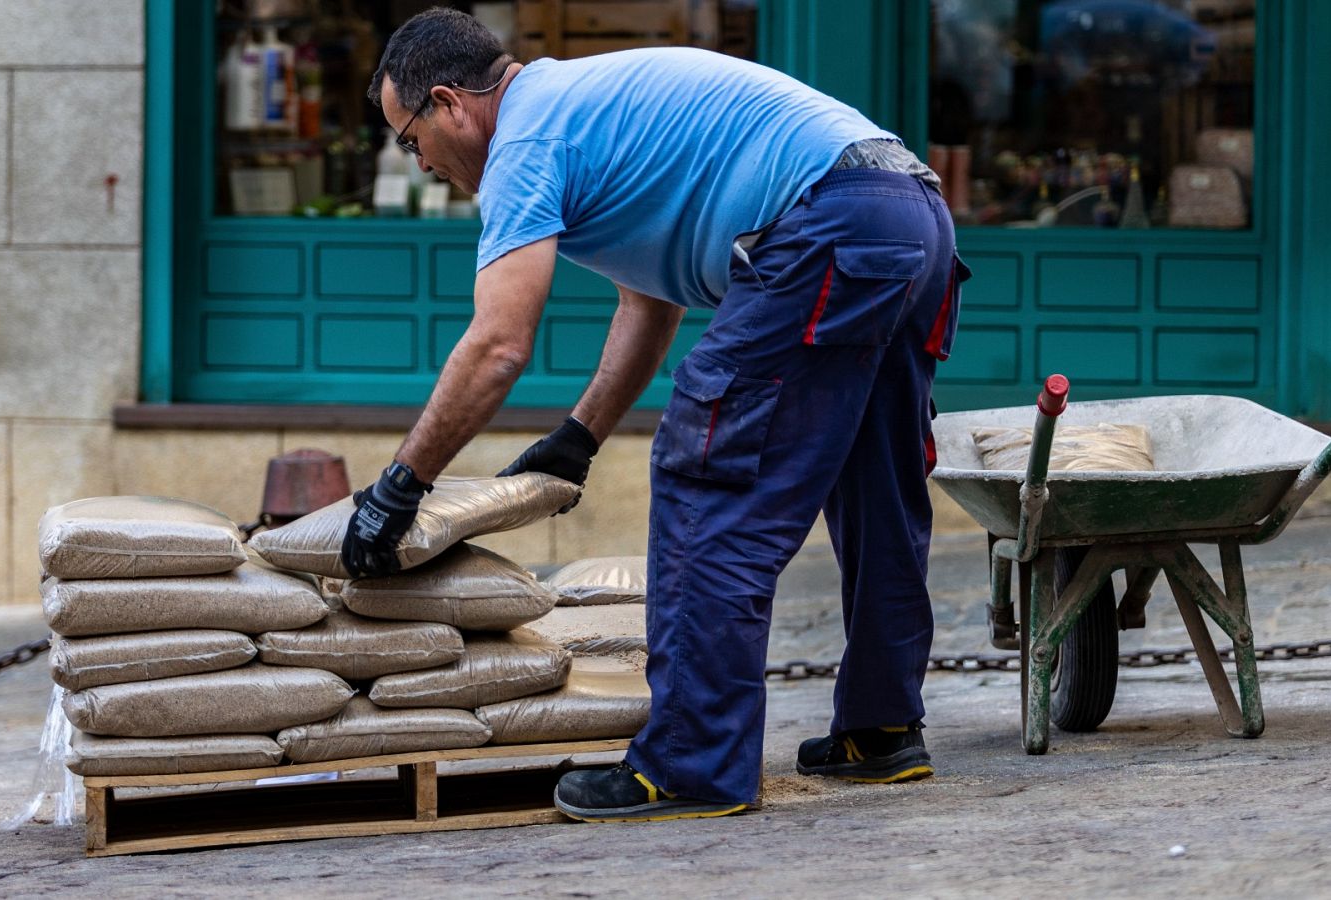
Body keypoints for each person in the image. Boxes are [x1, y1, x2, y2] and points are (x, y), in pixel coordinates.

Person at [344, 7, 965, 823]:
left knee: (704, 477)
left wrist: (400, 485)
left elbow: (498, 345)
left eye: (409, 136)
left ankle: (691, 765)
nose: (419, 162)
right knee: (875, 480)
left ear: (451, 102)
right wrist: (578, 438)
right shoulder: (586, 109)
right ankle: (881, 730)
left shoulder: (525, 145)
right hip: (907, 210)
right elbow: (652, 300)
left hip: (827, 223)